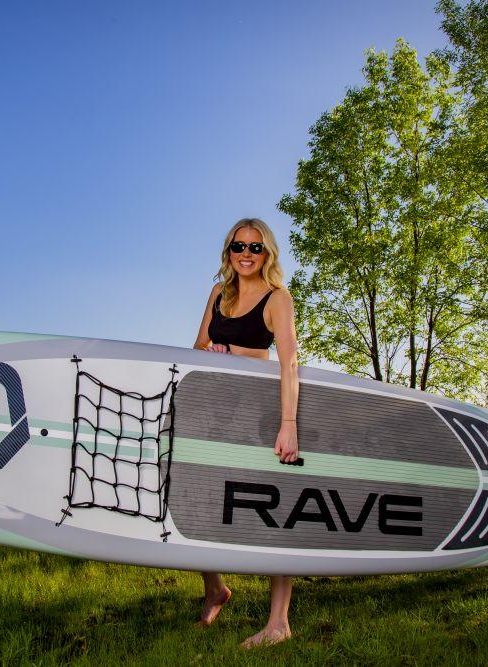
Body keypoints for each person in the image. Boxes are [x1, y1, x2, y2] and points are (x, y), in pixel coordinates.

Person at [192, 217, 300, 648]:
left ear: (267, 252)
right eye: (239, 246)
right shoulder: (220, 293)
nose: (246, 254)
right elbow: (198, 346)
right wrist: (214, 351)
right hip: (217, 411)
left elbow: (288, 363)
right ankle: (215, 589)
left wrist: (288, 425)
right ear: (229, 251)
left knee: (273, 509)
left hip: (259, 413)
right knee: (199, 500)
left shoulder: (278, 298)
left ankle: (278, 624)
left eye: (255, 247)